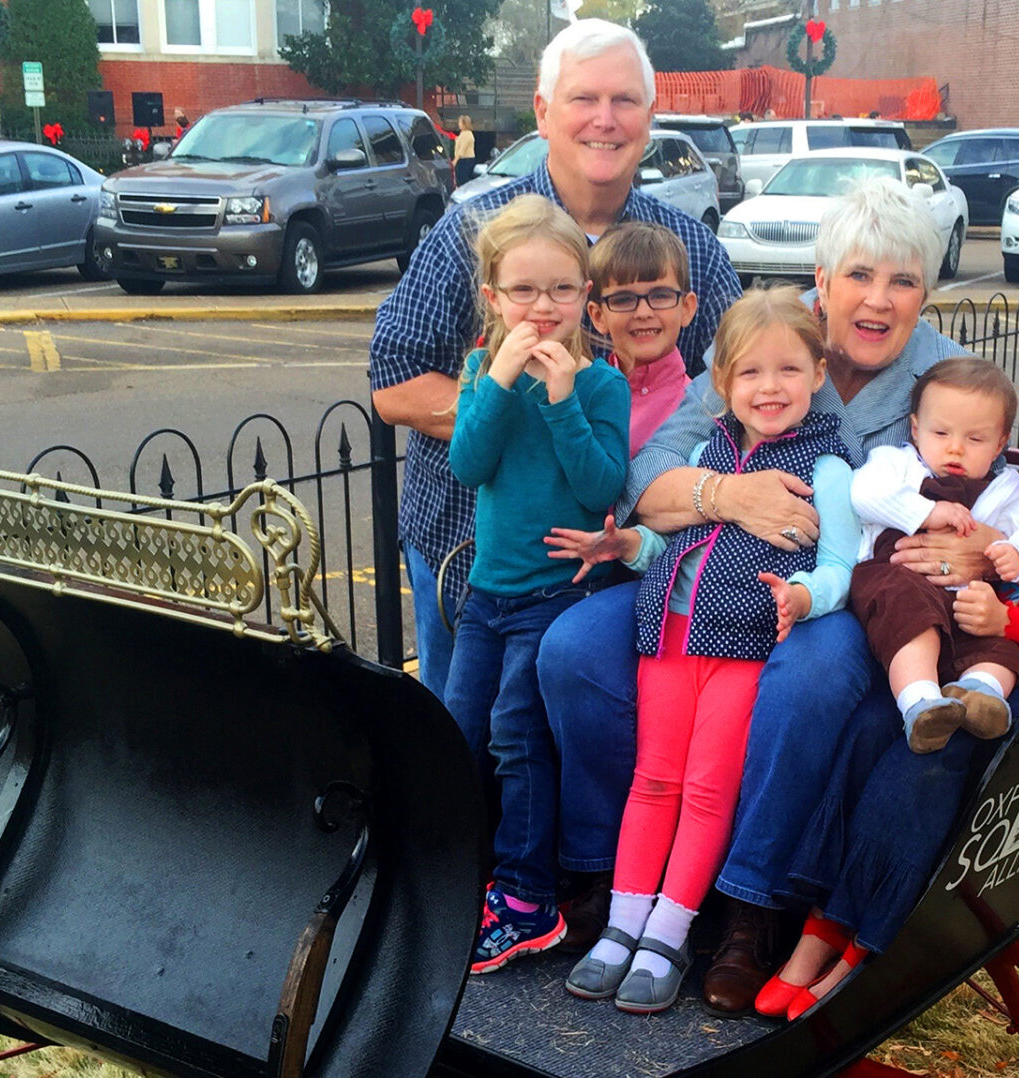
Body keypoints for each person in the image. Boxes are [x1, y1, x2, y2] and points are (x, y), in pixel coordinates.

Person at [538, 175, 976, 1017]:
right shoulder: (762, 342)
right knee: (573, 653)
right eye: (859, 275)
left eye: (904, 281)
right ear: (822, 276)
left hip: (845, 598)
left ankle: (748, 908)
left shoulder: (948, 376)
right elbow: (646, 478)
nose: (878, 301)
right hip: (694, 569)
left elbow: (980, 498)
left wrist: (963, 549)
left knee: (806, 681)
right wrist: (726, 496)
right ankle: (602, 879)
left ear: (928, 290)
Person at [760, 316, 1019, 1022]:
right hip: (963, 650)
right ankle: (818, 922)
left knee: (924, 764)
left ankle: (866, 946)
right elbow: (971, 553)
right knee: (864, 731)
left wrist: (1013, 621)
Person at [369, 17, 740, 701]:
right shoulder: (473, 233)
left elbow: (738, 387)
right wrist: (517, 421)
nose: (606, 119)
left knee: (579, 764)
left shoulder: (688, 250)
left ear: (650, 118)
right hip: (473, 564)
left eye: (625, 101)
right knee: (465, 759)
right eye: (583, 99)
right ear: (543, 112)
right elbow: (393, 381)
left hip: (627, 574)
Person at [550, 288, 860, 1014]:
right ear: (720, 384)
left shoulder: (830, 468)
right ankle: (622, 924)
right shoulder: (703, 451)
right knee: (653, 780)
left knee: (706, 789)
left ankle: (669, 931)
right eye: (749, 373)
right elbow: (676, 540)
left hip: (742, 646)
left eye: (789, 370)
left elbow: (843, 564)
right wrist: (631, 542)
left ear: (818, 375)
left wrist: (806, 596)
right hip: (669, 637)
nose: (770, 387)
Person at [445, 194, 630, 976]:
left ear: (586, 295)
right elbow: (468, 465)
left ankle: (527, 898)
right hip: (488, 595)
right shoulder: (480, 370)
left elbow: (600, 488)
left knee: (519, 737)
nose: (543, 307)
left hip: (557, 596)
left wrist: (559, 402)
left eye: (561, 289)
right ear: (493, 298)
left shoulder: (600, 385)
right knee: (457, 732)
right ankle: (463, 874)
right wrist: (498, 380)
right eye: (524, 291)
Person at [845, 357, 1019, 755]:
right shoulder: (898, 465)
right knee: (909, 613)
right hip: (897, 584)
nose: (955, 448)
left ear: (1001, 442)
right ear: (916, 428)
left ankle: (979, 693)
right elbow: (863, 493)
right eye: (941, 432)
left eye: (975, 439)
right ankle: (920, 702)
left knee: (1002, 649)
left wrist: (1018, 554)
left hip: (966, 603)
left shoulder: (1007, 488)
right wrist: (926, 512)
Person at [582, 222, 697, 454]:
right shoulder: (580, 395)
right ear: (598, 315)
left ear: (686, 308)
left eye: (661, 296)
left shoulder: (699, 412)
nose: (643, 313)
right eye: (623, 299)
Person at [454, 114, 478, 186]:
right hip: (462, 159)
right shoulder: (462, 133)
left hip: (465, 159)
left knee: (463, 178)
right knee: (459, 178)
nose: (459, 124)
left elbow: (462, 149)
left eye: (460, 122)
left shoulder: (467, 134)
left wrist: (455, 160)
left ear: (464, 124)